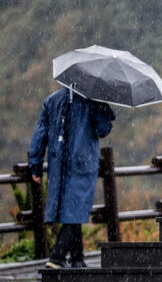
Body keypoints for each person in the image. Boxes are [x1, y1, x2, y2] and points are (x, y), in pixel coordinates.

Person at [28, 86, 115, 269]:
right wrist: (104, 109)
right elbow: (103, 129)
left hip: (58, 164)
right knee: (75, 208)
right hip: (82, 163)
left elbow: (40, 134)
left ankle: (77, 258)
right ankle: (57, 256)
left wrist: (35, 164)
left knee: (71, 208)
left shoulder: (52, 101)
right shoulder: (92, 100)